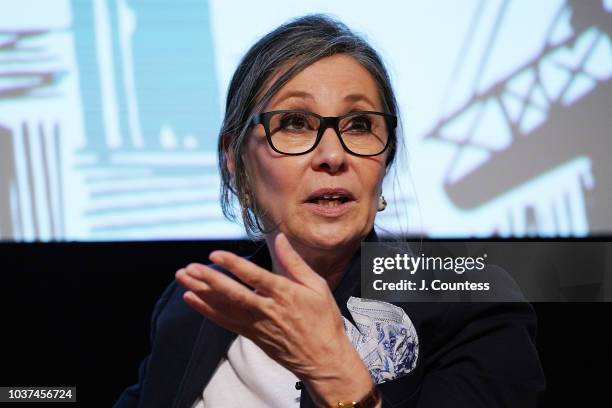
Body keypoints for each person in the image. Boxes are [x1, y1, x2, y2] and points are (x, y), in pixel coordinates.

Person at [114, 14, 545, 408]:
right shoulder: (193, 305)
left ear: (386, 159)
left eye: (359, 125)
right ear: (236, 158)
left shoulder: (470, 301)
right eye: (295, 123)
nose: (333, 156)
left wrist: (340, 381)